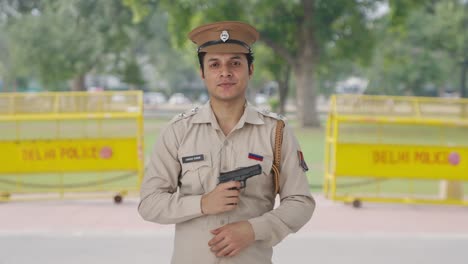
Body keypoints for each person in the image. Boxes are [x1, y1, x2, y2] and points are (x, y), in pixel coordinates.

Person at [138, 21, 315, 264]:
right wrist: (202, 204)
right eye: (214, 64)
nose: (225, 72)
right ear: (202, 73)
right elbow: (149, 203)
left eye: (235, 63)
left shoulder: (276, 132)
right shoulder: (178, 132)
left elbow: (300, 202)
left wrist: (254, 229)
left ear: (250, 69)